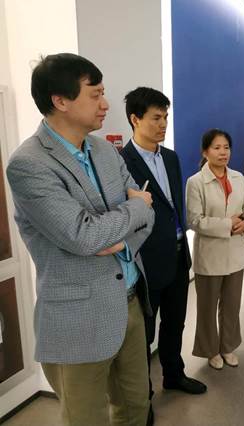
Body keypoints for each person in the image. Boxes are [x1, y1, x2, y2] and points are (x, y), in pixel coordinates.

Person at [6, 53, 155, 425]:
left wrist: (122, 238)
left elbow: (148, 215)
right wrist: (135, 208)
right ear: (61, 101)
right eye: (96, 94)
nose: (106, 104)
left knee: (136, 408)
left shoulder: (105, 151)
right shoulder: (29, 164)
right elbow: (84, 235)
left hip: (130, 303)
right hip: (78, 317)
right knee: (86, 419)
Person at [120, 87, 206, 424]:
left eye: (166, 117)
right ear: (135, 119)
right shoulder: (121, 162)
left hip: (177, 252)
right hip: (146, 261)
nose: (163, 124)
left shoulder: (170, 157)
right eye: (156, 118)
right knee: (144, 334)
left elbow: (173, 208)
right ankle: (142, 397)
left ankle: (174, 374)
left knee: (176, 321)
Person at [186, 129, 244, 369]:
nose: (223, 152)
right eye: (216, 147)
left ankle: (228, 346)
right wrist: (228, 224)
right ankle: (210, 350)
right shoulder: (195, 182)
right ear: (205, 152)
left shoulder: (238, 177)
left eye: (226, 147)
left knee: (231, 305)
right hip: (210, 255)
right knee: (207, 308)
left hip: (235, 254)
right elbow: (194, 220)